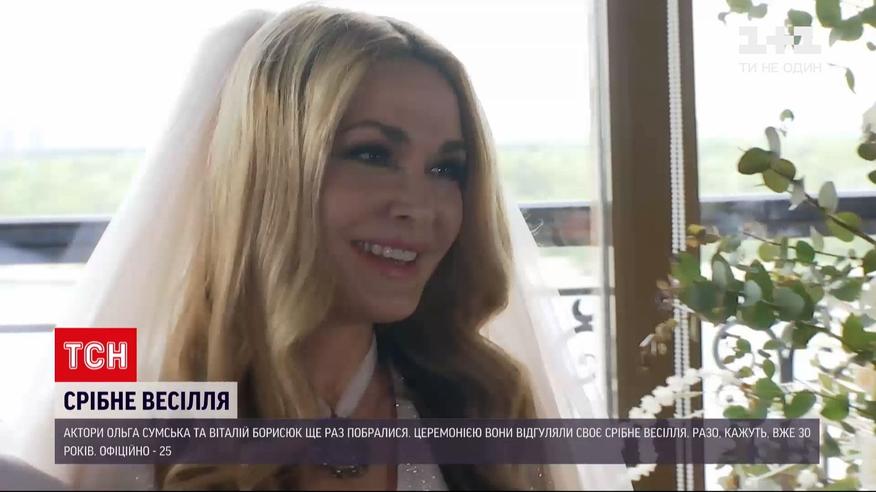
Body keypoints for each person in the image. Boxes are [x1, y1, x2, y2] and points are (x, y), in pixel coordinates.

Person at [4, 5, 632, 490]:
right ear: (269, 172)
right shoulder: (128, 422)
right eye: (372, 154)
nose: (419, 207)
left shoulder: (483, 406)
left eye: (447, 169)